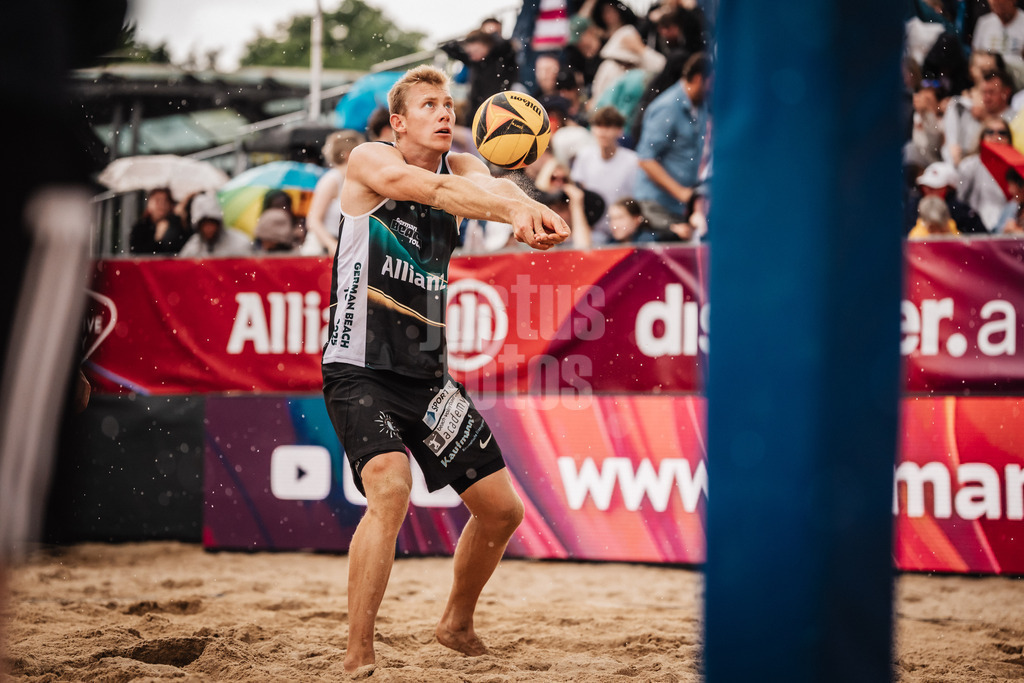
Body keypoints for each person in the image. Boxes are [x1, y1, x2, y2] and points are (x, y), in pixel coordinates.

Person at [320, 64, 569, 675]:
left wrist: (527, 206)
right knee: (389, 488)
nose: (446, 112)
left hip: (428, 378)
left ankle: (456, 624)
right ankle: (358, 653)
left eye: (450, 103)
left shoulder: (465, 169)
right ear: (398, 121)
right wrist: (512, 210)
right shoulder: (370, 164)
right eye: (429, 104)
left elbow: (495, 190)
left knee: (502, 512)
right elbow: (430, 192)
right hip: (359, 368)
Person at [632, 51, 712, 238]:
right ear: (699, 78)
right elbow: (645, 159)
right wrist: (684, 194)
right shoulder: (667, 107)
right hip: (656, 207)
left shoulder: (699, 106)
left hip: (679, 208)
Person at [570, 105, 639, 244]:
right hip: (595, 232)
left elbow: (636, 199)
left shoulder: (633, 161)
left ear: (619, 131)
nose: (602, 132)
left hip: (625, 232)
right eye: (598, 126)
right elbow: (582, 195)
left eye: (608, 126)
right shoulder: (584, 157)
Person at [304, 129, 364, 256]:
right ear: (348, 155)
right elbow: (313, 220)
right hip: (323, 251)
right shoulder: (332, 180)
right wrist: (331, 244)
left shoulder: (354, 180)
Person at [440, 29, 519, 114]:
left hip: (499, 109)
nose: (472, 55)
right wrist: (464, 40)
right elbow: (448, 48)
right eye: (469, 53)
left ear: (486, 46)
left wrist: (490, 35)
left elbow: (506, 45)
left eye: (475, 51)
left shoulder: (502, 58)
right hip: (476, 110)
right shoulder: (474, 62)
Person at [958, 117, 1015, 230]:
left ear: (1009, 139)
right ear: (981, 137)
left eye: (1002, 133)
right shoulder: (969, 165)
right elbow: (960, 200)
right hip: (977, 229)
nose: (996, 137)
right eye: (989, 132)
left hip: (1009, 228)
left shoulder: (1016, 166)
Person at [903, 160, 988, 234]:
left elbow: (979, 243)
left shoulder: (964, 215)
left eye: (934, 188)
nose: (927, 191)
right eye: (925, 186)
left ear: (949, 189)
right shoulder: (912, 208)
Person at [178, 192, 252, 257]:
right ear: (198, 226)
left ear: (219, 223)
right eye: (204, 224)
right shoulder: (193, 248)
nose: (208, 228)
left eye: (211, 222)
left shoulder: (239, 245)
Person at [128, 187, 189, 255]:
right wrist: (157, 237)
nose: (162, 205)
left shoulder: (176, 224)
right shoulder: (140, 227)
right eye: (157, 200)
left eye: (166, 201)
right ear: (149, 203)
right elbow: (138, 254)